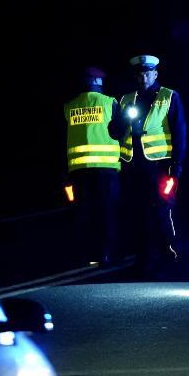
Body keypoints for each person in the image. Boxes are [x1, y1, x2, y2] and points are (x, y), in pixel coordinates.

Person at [113, 54, 187, 276]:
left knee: (162, 212)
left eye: (147, 72)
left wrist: (177, 165)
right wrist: (124, 120)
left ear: (155, 73)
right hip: (134, 168)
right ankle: (143, 258)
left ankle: (170, 251)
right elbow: (114, 132)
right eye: (139, 73)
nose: (143, 77)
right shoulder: (127, 99)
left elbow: (180, 131)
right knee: (138, 214)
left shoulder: (169, 96)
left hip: (160, 167)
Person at [63, 66, 122, 266]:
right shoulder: (109, 102)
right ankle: (105, 254)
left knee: (82, 213)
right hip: (106, 170)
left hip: (78, 170)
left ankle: (82, 257)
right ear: (99, 83)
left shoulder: (70, 106)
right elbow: (121, 130)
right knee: (106, 213)